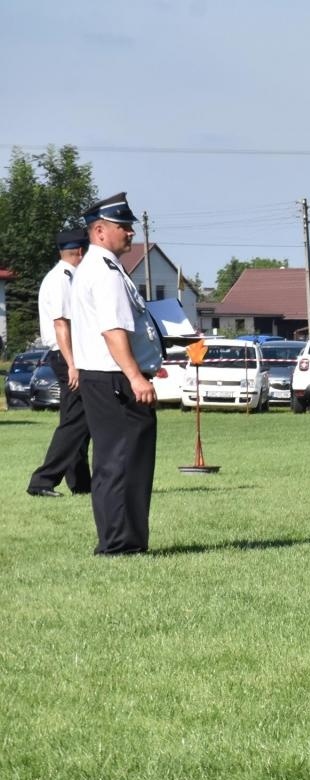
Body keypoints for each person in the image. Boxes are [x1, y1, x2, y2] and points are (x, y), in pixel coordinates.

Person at [71, 193, 165, 556]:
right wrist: (135, 377)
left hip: (105, 377)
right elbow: (113, 330)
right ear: (99, 231)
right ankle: (120, 544)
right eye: (122, 226)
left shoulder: (98, 268)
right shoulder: (106, 273)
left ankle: (121, 540)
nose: (130, 233)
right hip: (116, 379)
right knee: (125, 461)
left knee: (117, 460)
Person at [26, 227, 92, 498]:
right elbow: (61, 324)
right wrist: (73, 363)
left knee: (74, 419)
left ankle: (80, 482)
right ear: (80, 251)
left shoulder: (64, 276)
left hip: (70, 355)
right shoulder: (63, 279)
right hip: (69, 355)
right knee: (79, 420)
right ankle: (43, 479)